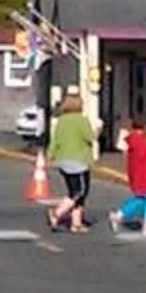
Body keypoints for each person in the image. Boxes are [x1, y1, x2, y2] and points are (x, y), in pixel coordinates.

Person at [45, 92, 99, 233]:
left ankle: (76, 223)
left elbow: (54, 141)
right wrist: (98, 129)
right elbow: (90, 137)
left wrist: (49, 156)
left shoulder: (61, 121)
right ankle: (57, 213)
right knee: (80, 192)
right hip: (79, 160)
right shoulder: (81, 120)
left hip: (63, 160)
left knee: (73, 191)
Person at [116, 114, 146, 233]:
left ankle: (119, 215)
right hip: (145, 174)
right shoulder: (144, 141)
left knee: (140, 198)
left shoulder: (131, 140)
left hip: (134, 172)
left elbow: (128, 156)